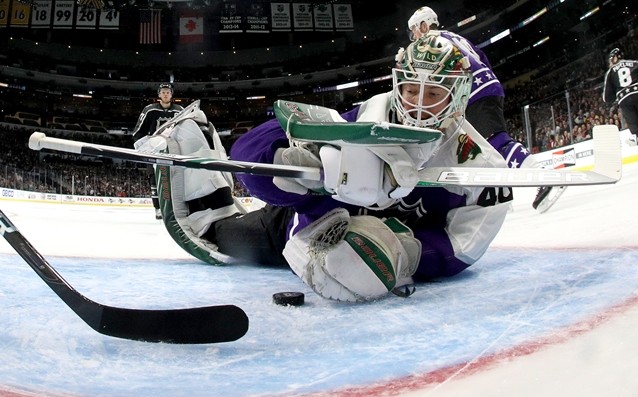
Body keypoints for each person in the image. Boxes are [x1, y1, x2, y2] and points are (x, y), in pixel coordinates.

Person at [140, 33, 512, 302]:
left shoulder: (483, 167)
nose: (417, 105)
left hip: (370, 248)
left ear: (460, 94)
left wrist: (409, 256)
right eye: (411, 89)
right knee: (221, 237)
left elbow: (463, 247)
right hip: (295, 226)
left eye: (433, 93)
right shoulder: (366, 117)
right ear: (397, 84)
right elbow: (247, 155)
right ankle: (191, 140)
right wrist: (290, 164)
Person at [406, 6, 558, 211]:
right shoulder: (453, 36)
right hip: (487, 87)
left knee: (496, 142)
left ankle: (542, 175)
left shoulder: (431, 43)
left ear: (423, 25)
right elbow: (482, 58)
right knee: (484, 151)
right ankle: (502, 197)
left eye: (414, 29)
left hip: (473, 93)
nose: (413, 35)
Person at [132, 83, 184, 219]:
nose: (166, 94)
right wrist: (142, 147)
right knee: (154, 180)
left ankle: (176, 208)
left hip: (173, 149)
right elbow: (138, 131)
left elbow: (187, 129)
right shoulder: (150, 110)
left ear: (172, 94)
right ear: (159, 94)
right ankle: (158, 208)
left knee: (175, 179)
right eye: (163, 92)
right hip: (153, 150)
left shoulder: (180, 111)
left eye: (168, 92)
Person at [603, 47, 638, 138]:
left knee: (634, 125)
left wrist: (614, 97)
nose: (610, 62)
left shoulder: (610, 71)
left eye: (611, 59)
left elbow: (607, 98)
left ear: (615, 58)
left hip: (624, 100)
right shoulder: (635, 63)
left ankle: (636, 137)